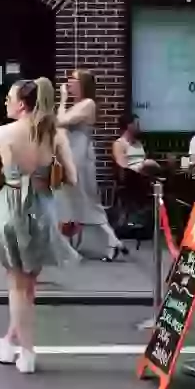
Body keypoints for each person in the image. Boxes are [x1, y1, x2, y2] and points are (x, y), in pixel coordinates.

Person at [0, 78, 79, 374]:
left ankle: (25, 352)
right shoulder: (55, 135)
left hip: (11, 206)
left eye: (9, 98)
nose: (5, 102)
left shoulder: (2, 133)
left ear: (22, 104)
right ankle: (9, 340)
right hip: (43, 207)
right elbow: (72, 178)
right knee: (29, 284)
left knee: (16, 286)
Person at [55, 69, 126, 260]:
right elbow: (58, 122)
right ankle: (70, 244)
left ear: (83, 84)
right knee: (70, 199)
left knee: (88, 201)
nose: (69, 83)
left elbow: (61, 121)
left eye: (74, 80)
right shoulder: (77, 104)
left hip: (80, 156)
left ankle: (112, 241)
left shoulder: (88, 104)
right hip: (72, 154)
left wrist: (62, 100)